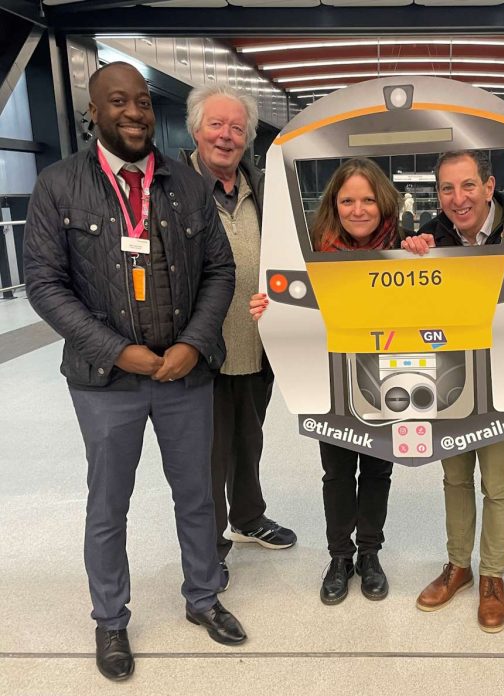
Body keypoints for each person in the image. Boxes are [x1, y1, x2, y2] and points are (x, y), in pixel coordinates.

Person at [23, 62, 246, 682]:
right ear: (93, 111)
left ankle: (203, 598)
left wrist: (196, 344)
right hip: (105, 382)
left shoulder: (189, 185)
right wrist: (116, 350)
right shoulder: (58, 185)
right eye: (118, 102)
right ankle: (111, 618)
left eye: (143, 102)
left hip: (183, 375)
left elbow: (219, 271)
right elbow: (44, 283)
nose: (134, 112)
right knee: (108, 502)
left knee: (198, 495)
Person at [250, 158, 402, 605]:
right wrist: (269, 308)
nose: (359, 209)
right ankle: (340, 556)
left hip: (387, 378)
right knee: (336, 471)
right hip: (330, 379)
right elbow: (292, 305)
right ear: (334, 204)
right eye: (348, 200)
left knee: (378, 468)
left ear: (384, 202)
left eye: (368, 199)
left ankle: (370, 554)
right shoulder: (310, 253)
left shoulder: (406, 246)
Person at [185, 85, 296, 590]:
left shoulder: (263, 189)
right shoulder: (174, 189)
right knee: (208, 454)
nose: (226, 137)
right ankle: (210, 548)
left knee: (249, 440)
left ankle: (249, 517)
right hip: (198, 349)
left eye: (237, 128)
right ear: (195, 129)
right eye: (216, 125)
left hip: (256, 344)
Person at [402, 150, 504, 633]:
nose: (458, 198)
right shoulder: (433, 237)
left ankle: (492, 575)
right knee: (454, 477)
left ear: (489, 187)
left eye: (467, 186)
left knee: (499, 483)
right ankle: (459, 567)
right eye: (447, 188)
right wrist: (408, 257)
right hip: (449, 377)